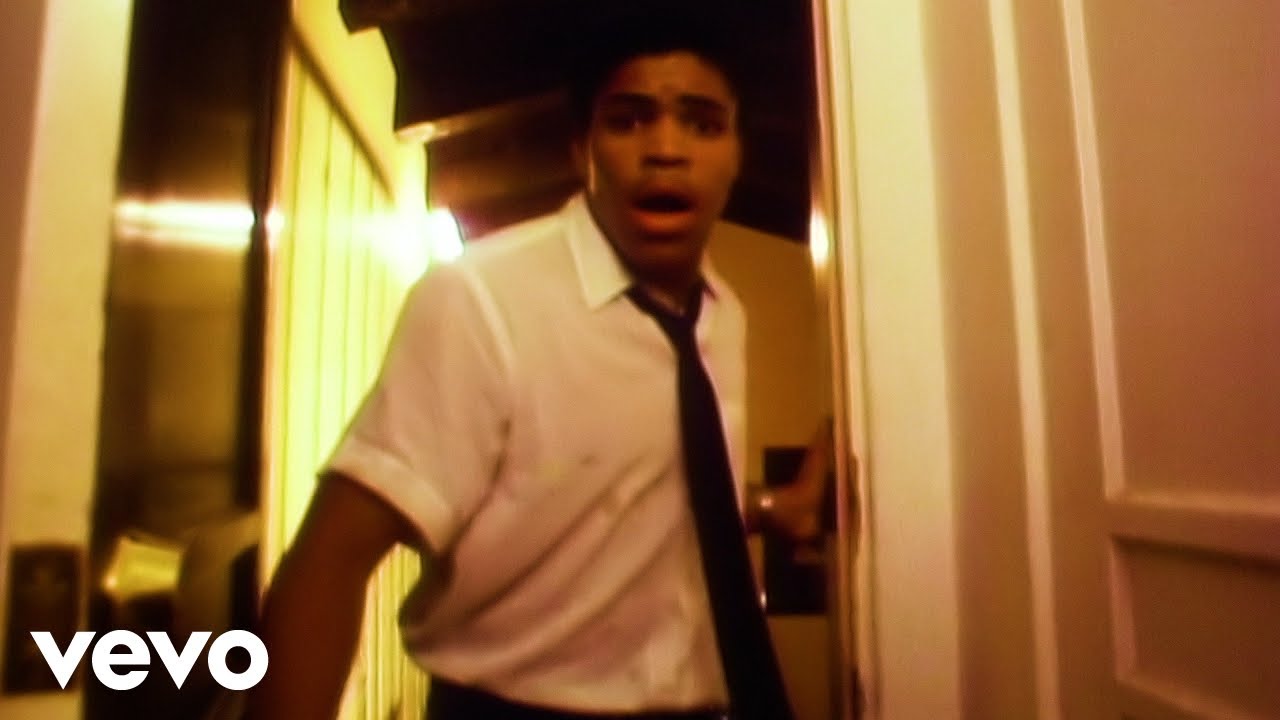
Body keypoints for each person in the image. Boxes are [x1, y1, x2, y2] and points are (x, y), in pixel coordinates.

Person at [247, 7, 823, 719]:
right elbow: (330, 560)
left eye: (703, 125)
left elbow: (639, 491)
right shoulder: (482, 299)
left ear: (738, 154)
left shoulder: (724, 315)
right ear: (582, 149)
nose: (666, 150)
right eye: (629, 120)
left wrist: (769, 509)